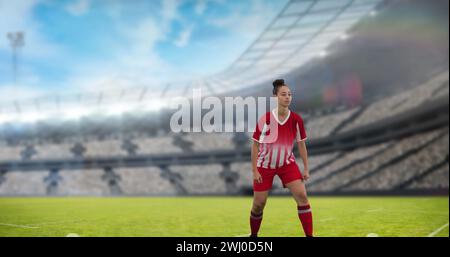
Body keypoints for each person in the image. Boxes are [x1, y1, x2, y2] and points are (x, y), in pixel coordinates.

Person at [249, 79, 313, 237]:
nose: (287, 97)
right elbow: (255, 145)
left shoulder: (296, 119)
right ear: (275, 97)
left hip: (287, 164)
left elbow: (301, 145)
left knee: (302, 197)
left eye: (290, 94)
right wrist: (255, 170)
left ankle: (309, 236)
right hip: (265, 166)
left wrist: (305, 168)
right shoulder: (265, 119)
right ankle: (253, 236)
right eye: (283, 94)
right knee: (259, 205)